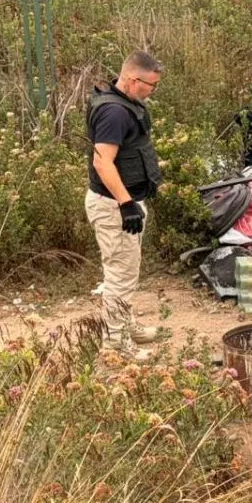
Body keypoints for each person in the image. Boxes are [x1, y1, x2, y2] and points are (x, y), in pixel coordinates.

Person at [85, 50, 167, 352]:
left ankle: (124, 326)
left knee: (127, 271)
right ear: (132, 80)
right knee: (120, 276)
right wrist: (126, 204)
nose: (152, 91)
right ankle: (116, 345)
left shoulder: (126, 103)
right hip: (113, 206)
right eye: (150, 85)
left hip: (123, 201)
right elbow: (102, 162)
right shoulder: (114, 113)